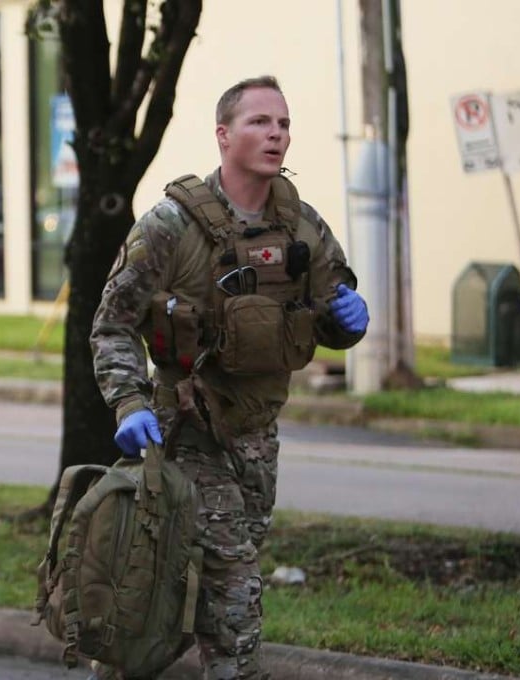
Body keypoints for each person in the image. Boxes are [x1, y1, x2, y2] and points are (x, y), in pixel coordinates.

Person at [90, 76, 368, 680]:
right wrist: (127, 401)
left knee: (185, 600)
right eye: (259, 122)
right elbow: (111, 324)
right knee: (236, 590)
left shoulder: (301, 226)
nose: (276, 134)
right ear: (223, 135)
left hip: (257, 438)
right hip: (184, 433)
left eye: (284, 124)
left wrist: (349, 318)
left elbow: (331, 311)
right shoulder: (170, 225)